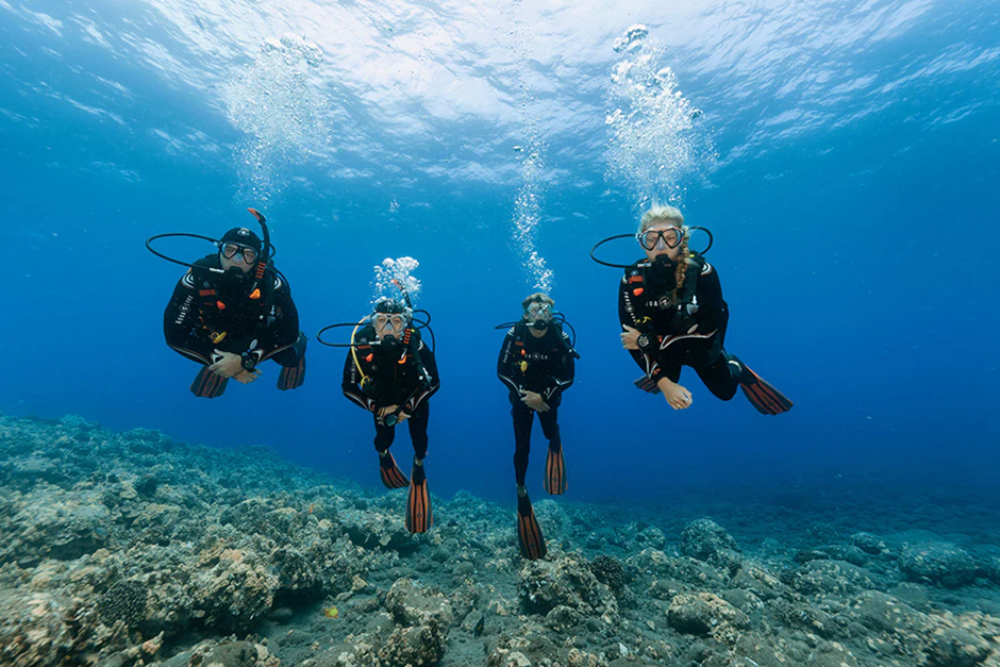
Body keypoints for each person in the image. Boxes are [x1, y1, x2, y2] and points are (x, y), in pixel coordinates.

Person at [619, 205, 792, 415]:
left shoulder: (702, 273)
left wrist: (645, 341)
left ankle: (735, 366)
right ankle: (664, 373)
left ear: (682, 239)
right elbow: (629, 338)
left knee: (725, 393)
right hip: (665, 346)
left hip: (702, 347)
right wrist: (664, 383)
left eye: (670, 237)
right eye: (652, 238)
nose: (661, 245)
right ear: (642, 243)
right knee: (668, 377)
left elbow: (708, 331)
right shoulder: (631, 279)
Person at [163, 226, 307, 398]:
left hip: (260, 335)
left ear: (257, 259)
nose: (237, 260)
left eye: (248, 255)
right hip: (218, 335)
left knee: (290, 358)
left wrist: (247, 361)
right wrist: (218, 361)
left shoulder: (270, 282)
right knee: (214, 354)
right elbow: (174, 334)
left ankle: (302, 342)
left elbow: (288, 332)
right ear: (220, 250)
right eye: (230, 250)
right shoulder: (199, 276)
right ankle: (222, 361)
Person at [342, 298, 440, 533]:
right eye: (381, 321)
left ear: (405, 324)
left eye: (396, 322)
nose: (388, 329)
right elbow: (348, 387)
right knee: (384, 439)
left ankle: (418, 464)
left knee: (419, 439)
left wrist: (407, 409)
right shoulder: (362, 344)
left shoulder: (415, 344)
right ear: (372, 323)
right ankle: (384, 455)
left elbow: (434, 383)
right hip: (382, 403)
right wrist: (376, 407)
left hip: (413, 401)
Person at [497, 293, 576, 560]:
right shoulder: (515, 334)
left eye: (544, 309)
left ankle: (555, 442)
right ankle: (521, 489)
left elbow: (568, 376)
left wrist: (542, 396)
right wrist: (524, 394)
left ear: (551, 314)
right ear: (525, 314)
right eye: (534, 309)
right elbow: (502, 370)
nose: (539, 314)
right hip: (521, 398)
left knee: (548, 430)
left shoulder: (559, 336)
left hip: (547, 398)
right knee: (523, 447)